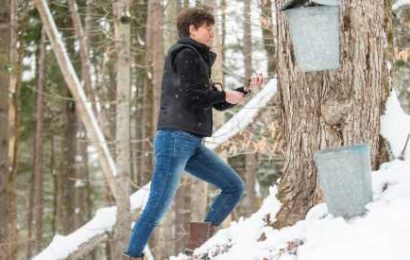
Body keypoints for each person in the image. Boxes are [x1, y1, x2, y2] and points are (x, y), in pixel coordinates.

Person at [123, 7, 265, 260]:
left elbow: (216, 102)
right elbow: (192, 97)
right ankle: (132, 256)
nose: (212, 32)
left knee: (233, 186)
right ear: (192, 29)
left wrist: (245, 89)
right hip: (175, 139)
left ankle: (200, 247)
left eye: (212, 28)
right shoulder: (187, 54)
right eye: (206, 28)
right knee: (157, 206)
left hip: (191, 142)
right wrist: (222, 94)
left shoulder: (197, 59)